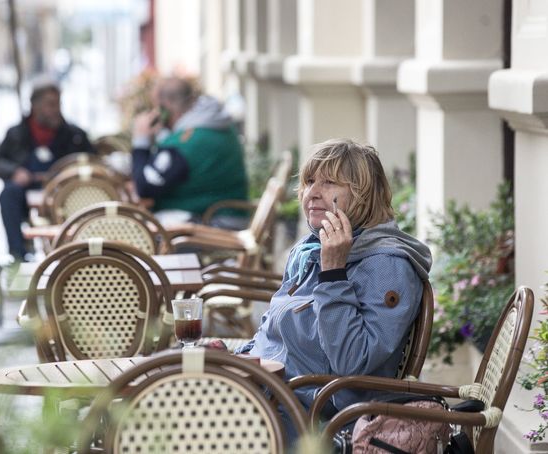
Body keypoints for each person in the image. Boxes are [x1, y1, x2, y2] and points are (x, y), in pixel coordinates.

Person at [234, 139, 432, 439]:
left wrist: (334, 274)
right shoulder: (310, 248)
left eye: (329, 183)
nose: (312, 193)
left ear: (363, 195)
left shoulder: (388, 266)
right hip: (266, 393)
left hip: (312, 418)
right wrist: (237, 356)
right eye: (309, 181)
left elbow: (353, 364)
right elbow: (273, 332)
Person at [0, 77, 95, 261]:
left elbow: (93, 161)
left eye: (58, 104)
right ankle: (18, 256)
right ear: (35, 106)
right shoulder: (16, 134)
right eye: (50, 104)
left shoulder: (74, 135)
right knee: (8, 193)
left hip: (65, 196)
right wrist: (14, 172)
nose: (56, 110)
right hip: (27, 193)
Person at [130, 77, 249, 229]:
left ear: (166, 107)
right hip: (227, 217)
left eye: (157, 108)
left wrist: (141, 140)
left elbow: (144, 188)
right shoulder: (214, 123)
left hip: (216, 224)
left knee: (141, 230)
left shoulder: (187, 142)